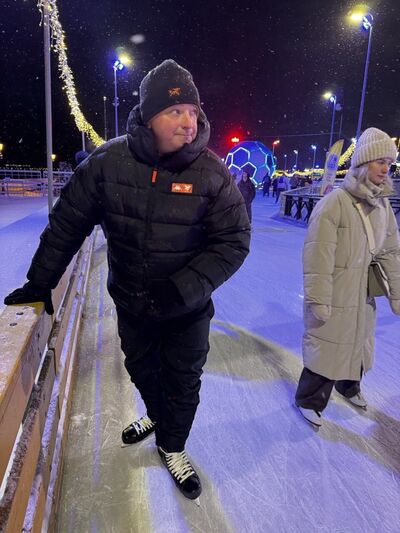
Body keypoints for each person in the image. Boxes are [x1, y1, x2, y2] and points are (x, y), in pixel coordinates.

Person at [4, 59, 250, 499]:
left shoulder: (211, 173)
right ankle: (157, 414)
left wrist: (182, 289)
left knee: (183, 381)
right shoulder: (108, 163)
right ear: (150, 115)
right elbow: (66, 226)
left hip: (187, 309)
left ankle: (172, 445)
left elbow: (233, 241)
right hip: (132, 301)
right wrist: (40, 283)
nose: (188, 123)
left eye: (193, 112)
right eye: (175, 111)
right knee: (141, 368)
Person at [295, 128, 400, 427]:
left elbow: (391, 252)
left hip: (363, 292)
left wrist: (397, 292)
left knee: (359, 340)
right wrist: (318, 298)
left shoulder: (382, 205)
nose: (385, 169)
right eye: (379, 161)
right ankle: (309, 399)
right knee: (328, 343)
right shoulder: (335, 203)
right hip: (336, 289)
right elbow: (318, 257)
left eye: (389, 163)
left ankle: (349, 386)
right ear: (363, 163)